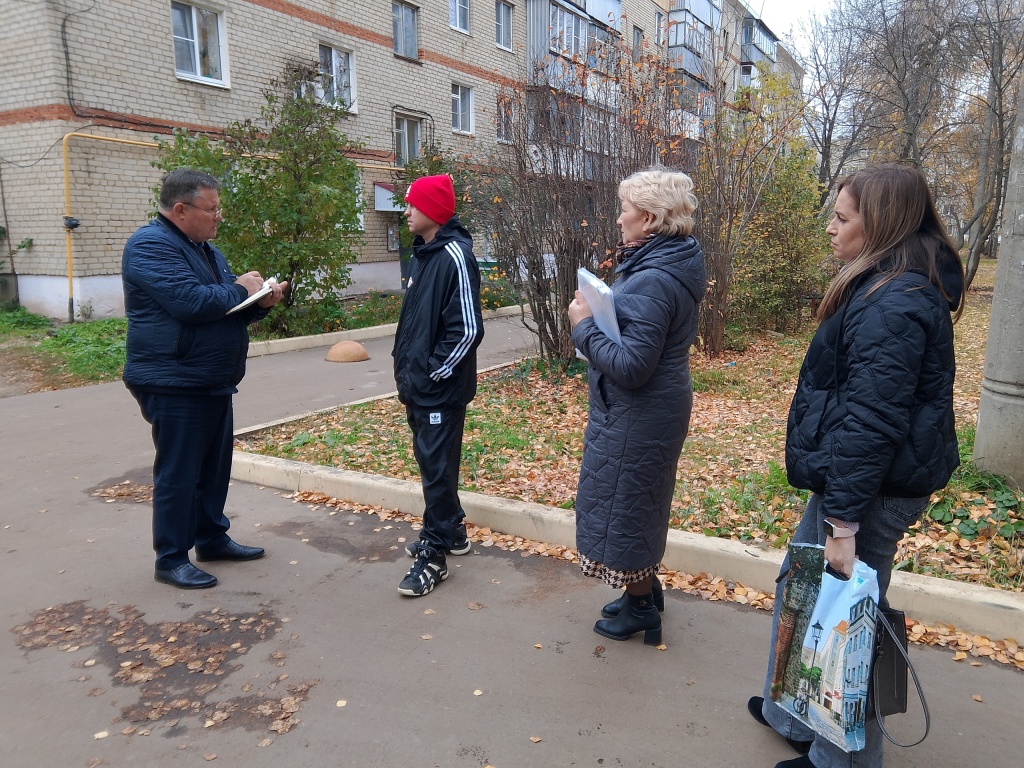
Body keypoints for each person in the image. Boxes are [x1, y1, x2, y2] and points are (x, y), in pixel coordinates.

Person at [747, 163, 964, 768]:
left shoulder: (893, 301)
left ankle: (837, 759)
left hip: (867, 490)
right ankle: (792, 715)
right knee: (804, 587)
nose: (830, 229)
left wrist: (844, 525)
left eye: (842, 219)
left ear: (882, 227)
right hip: (858, 481)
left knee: (848, 624)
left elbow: (872, 419)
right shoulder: (889, 286)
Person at [122, 168, 287, 589]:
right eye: (211, 209)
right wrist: (238, 287)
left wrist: (259, 301)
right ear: (181, 209)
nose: (218, 217)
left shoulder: (205, 250)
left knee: (213, 468)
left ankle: (211, 538)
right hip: (174, 380)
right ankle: (171, 558)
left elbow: (224, 309)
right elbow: (190, 302)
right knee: (180, 472)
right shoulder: (149, 245)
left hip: (210, 378)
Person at [567, 167, 707, 645]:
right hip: (647, 410)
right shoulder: (668, 262)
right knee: (637, 503)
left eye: (625, 209)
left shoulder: (653, 279)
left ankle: (642, 606)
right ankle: (639, 592)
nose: (619, 217)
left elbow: (632, 366)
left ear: (647, 218)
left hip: (640, 412)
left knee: (628, 509)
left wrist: (583, 325)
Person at [392, 173, 484, 597]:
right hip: (420, 386)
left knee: (435, 470)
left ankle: (434, 553)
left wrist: (434, 372)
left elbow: (466, 329)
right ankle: (455, 532)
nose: (406, 211)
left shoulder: (452, 255)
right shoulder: (425, 255)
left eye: (412, 204)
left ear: (432, 210)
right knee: (436, 466)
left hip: (437, 390)